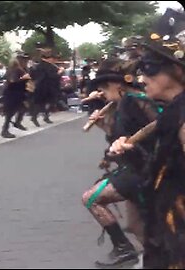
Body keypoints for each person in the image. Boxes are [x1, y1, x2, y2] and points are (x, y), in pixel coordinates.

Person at [108, 8, 185, 268]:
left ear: (178, 71)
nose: (142, 77)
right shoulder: (173, 113)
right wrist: (127, 145)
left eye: (150, 68)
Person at [81, 58, 161, 268]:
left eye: (104, 88)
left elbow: (158, 129)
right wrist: (102, 125)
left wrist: (130, 143)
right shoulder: (122, 104)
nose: (103, 94)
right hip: (132, 165)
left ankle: (125, 249)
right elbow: (118, 137)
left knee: (91, 198)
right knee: (135, 225)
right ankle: (154, 258)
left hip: (145, 168)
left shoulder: (137, 100)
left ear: (118, 85)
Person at [29, 46, 64, 127]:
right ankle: (37, 117)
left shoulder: (39, 65)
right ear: (49, 58)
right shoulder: (47, 66)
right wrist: (60, 72)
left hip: (42, 87)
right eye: (53, 58)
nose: (54, 60)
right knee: (45, 102)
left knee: (46, 102)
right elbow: (52, 76)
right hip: (46, 87)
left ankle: (44, 116)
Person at [1, 51, 31, 138]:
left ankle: (18, 122)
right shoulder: (14, 69)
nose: (25, 61)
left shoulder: (24, 69)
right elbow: (12, 81)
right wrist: (23, 78)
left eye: (26, 59)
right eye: (24, 59)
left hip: (21, 92)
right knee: (10, 112)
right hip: (12, 93)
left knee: (24, 107)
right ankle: (4, 130)